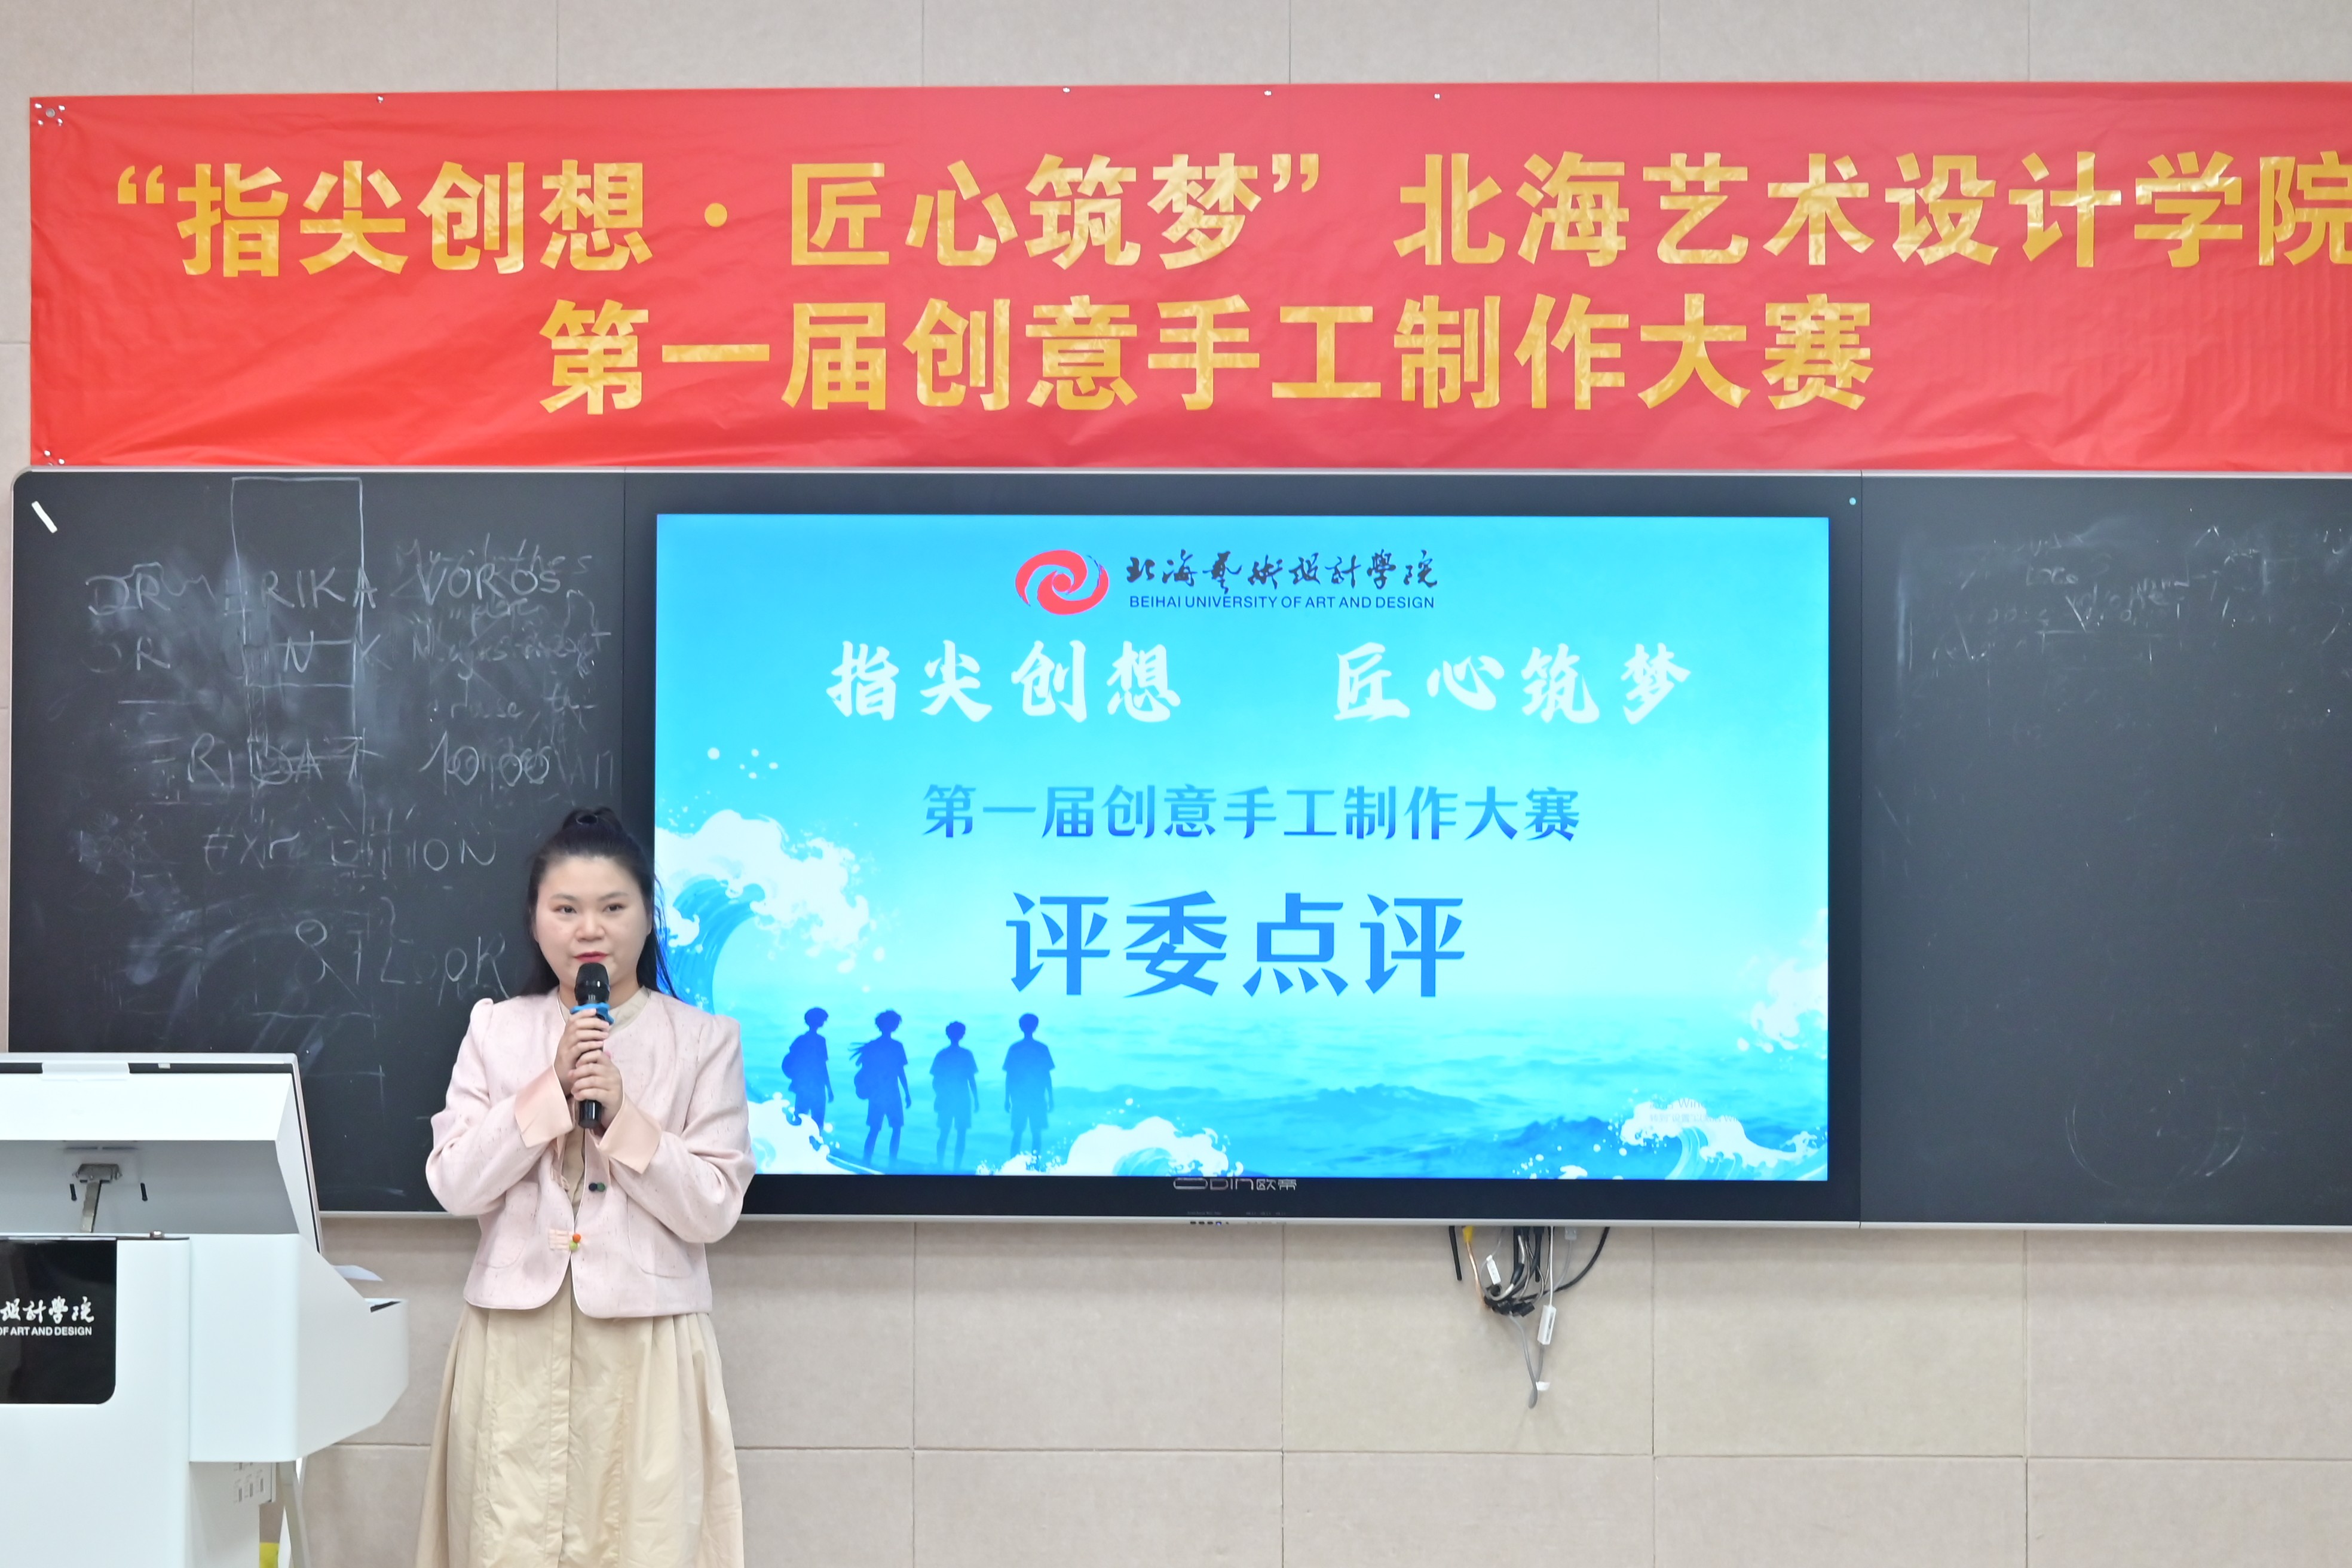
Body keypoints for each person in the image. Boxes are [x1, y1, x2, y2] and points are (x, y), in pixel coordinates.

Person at [416, 807, 752, 1568]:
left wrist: (624, 1119)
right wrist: (549, 1094)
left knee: (645, 1542)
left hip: (647, 1341)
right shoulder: (496, 1030)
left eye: (613, 906)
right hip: (513, 1339)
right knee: (506, 1541)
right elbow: (455, 1182)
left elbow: (713, 1206)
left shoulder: (705, 1040)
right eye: (566, 908)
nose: (589, 929)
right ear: (536, 921)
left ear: (648, 918)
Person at [854, 1009, 911, 1167]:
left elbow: (864, 1068)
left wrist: (907, 1093)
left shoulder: (873, 1046)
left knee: (876, 1129)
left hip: (878, 1093)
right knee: (895, 1129)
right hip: (891, 1093)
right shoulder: (897, 1046)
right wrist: (907, 1093)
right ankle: (891, 1163)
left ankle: (867, 1161)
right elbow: (901, 1072)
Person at [1003, 1012, 1055, 1161]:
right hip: (1036, 1097)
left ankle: (1012, 1162)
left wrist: (1007, 1098)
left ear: (1021, 1027)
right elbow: (1047, 1076)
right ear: (1036, 1027)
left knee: (1018, 1133)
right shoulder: (1042, 1048)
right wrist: (1051, 1097)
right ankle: (1035, 1163)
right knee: (1036, 1133)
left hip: (1020, 1098)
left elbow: (1009, 1076)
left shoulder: (1015, 1048)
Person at [930, 1021, 980, 1169]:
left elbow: (936, 1081)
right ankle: (956, 1167)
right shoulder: (966, 1054)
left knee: (944, 1132)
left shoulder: (942, 1054)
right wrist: (976, 1099)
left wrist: (939, 1096)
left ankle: (941, 1164)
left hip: (948, 1098)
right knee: (960, 1134)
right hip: (962, 1098)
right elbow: (971, 1080)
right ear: (962, 1035)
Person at [782, 1006, 833, 1127]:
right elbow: (822, 1066)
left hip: (802, 1084)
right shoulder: (820, 1041)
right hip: (817, 1086)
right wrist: (829, 1089)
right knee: (818, 1121)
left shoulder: (800, 1040)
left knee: (799, 1118)